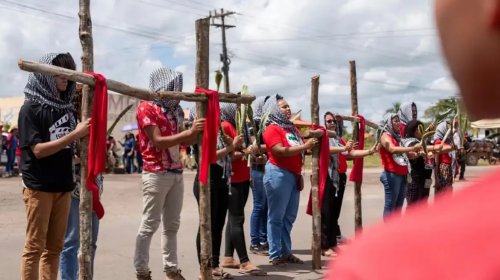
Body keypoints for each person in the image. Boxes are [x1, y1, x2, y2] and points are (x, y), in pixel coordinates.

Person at [326, 1, 500, 278]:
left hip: (411, 176)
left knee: (408, 209)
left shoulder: (373, 265)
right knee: (400, 208)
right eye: (408, 116)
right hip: (404, 175)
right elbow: (400, 149)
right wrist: (423, 148)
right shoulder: (394, 134)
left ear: (490, 9)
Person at [18, 53, 91, 280]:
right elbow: (38, 151)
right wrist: (74, 135)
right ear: (45, 75)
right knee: (34, 248)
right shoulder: (30, 109)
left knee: (54, 248)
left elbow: (69, 151)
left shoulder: (65, 108)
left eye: (69, 72)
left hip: (64, 186)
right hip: (39, 187)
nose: (66, 77)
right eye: (60, 72)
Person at [134, 67, 204, 280]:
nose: (177, 91)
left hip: (175, 172)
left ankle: (171, 268)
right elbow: (158, 141)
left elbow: (184, 140)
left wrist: (197, 133)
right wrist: (189, 133)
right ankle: (141, 270)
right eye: (173, 86)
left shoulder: (176, 110)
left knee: (172, 224)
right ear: (162, 87)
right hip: (155, 173)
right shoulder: (147, 107)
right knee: (149, 223)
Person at [262, 94, 317, 265]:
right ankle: (275, 254)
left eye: (288, 106)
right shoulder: (272, 128)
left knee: (289, 217)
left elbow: (300, 150)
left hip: (293, 175)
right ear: (274, 110)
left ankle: (285, 252)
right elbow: (279, 150)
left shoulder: (291, 129)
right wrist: (305, 146)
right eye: (283, 107)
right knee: (276, 216)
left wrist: (310, 146)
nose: (288, 109)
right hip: (278, 174)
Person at [318, 112, 377, 257]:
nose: (332, 123)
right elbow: (326, 151)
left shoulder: (339, 139)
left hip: (339, 178)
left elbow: (350, 153)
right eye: (329, 121)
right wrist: (344, 149)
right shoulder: (323, 136)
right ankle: (324, 246)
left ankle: (332, 243)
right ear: (324, 123)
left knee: (334, 214)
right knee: (326, 213)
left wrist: (369, 151)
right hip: (328, 177)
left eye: (334, 121)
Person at [192, 109, 242, 279]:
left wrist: (232, 145)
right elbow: (209, 156)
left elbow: (230, 153)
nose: (218, 116)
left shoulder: (219, 131)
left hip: (222, 179)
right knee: (206, 225)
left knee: (218, 225)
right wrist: (231, 146)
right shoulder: (200, 132)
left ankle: (214, 265)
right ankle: (203, 268)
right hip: (207, 180)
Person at [218, 103, 266, 276]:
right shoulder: (225, 126)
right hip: (233, 179)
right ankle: (245, 261)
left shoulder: (238, 126)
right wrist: (247, 153)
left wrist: (250, 152)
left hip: (243, 178)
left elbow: (243, 149)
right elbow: (228, 154)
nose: (240, 111)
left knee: (234, 219)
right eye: (237, 108)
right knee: (237, 219)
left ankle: (229, 257)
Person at [379, 114, 420, 218]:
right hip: (392, 175)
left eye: (399, 121)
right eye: (395, 121)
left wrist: (421, 153)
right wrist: (412, 148)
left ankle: (395, 232)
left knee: (398, 207)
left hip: (402, 174)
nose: (398, 123)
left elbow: (406, 156)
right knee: (390, 206)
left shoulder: (397, 137)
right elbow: (392, 149)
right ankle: (388, 232)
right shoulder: (385, 136)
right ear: (389, 123)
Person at [248, 96, 270, 256]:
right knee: (259, 205)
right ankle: (255, 242)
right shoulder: (254, 125)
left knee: (266, 206)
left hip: (266, 168)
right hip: (257, 169)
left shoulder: (269, 125)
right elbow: (253, 148)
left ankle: (263, 240)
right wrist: (272, 147)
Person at [402, 120, 433, 205]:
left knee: (423, 205)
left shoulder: (422, 140)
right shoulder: (410, 142)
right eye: (420, 129)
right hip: (415, 179)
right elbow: (415, 149)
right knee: (413, 206)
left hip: (426, 178)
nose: (423, 131)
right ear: (414, 130)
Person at [433, 120, 456, 194]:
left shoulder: (447, 142)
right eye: (447, 129)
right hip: (443, 170)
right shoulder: (438, 142)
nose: (449, 131)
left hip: (447, 169)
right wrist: (436, 177)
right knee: (443, 193)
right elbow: (436, 160)